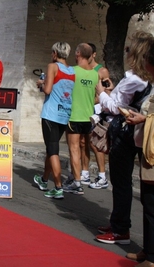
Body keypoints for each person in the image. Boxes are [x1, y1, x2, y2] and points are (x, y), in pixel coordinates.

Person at [95, 31, 154, 245]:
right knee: (125, 183)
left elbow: (116, 107)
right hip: (138, 135)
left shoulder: (134, 79)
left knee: (121, 182)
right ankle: (119, 223)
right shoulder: (145, 79)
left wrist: (101, 92)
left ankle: (120, 229)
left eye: (129, 49)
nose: (126, 52)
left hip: (124, 133)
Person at [124, 38, 154, 267]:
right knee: (147, 202)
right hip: (147, 149)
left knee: (152, 205)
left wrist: (144, 118)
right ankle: (148, 249)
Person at [33, 42, 75, 199]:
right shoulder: (71, 70)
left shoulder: (53, 66)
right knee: (51, 149)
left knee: (53, 150)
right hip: (64, 114)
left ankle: (58, 187)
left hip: (51, 114)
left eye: (52, 53)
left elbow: (48, 89)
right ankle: (44, 180)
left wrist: (41, 83)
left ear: (55, 53)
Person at [63, 43, 99, 195]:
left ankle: (77, 183)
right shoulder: (95, 74)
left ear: (78, 54)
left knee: (74, 149)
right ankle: (75, 176)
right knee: (84, 148)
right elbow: (97, 97)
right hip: (88, 117)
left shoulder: (72, 71)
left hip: (74, 116)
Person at [84, 43, 111, 189]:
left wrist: (92, 101)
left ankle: (102, 177)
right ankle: (85, 173)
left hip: (96, 112)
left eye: (88, 53)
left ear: (94, 54)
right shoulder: (82, 70)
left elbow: (107, 94)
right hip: (83, 110)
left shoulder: (102, 71)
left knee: (97, 144)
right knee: (84, 142)